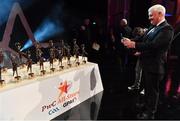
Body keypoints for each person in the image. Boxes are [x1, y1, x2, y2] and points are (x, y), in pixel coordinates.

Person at [121, 4, 174, 119]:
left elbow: (154, 45)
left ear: (160, 14)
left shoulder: (167, 29)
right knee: (146, 89)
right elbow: (142, 39)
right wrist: (130, 41)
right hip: (147, 64)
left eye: (151, 15)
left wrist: (134, 44)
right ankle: (145, 106)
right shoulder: (152, 26)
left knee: (152, 91)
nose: (149, 18)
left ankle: (150, 113)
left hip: (155, 66)